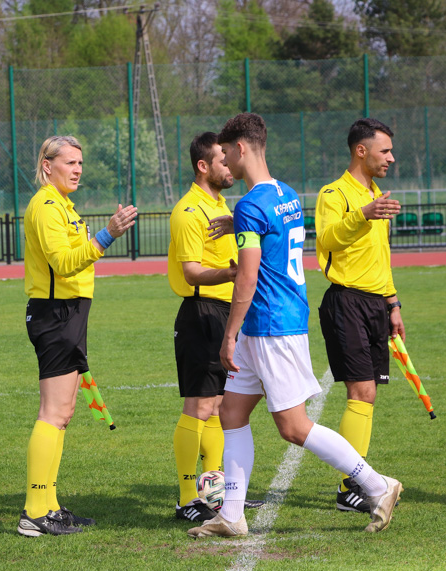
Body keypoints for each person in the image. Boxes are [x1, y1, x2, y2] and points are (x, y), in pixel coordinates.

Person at [187, 113, 403, 539]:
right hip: (268, 324)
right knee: (231, 412)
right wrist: (240, 223)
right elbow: (277, 233)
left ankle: (378, 486)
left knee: (293, 426)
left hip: (270, 324)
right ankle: (232, 514)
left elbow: (246, 277)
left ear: (242, 148)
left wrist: (228, 335)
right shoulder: (284, 193)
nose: (226, 161)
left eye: (228, 152)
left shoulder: (250, 204)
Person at [18, 135, 138, 537]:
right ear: (47, 165)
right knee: (52, 413)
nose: (78, 169)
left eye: (80, 163)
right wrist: (106, 236)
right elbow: (64, 263)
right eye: (69, 162)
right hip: (54, 315)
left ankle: (48, 505)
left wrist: (101, 236)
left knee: (64, 414)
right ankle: (35, 511)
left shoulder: (64, 206)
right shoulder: (46, 206)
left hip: (69, 315)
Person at [314, 118, 404, 513]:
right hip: (346, 301)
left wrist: (393, 303)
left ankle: (352, 486)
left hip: (375, 305)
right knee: (360, 391)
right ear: (360, 151)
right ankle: (351, 487)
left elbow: (381, 258)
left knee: (369, 395)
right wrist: (363, 213)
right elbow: (327, 239)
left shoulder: (379, 193)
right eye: (385, 150)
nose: (391, 158)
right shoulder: (333, 194)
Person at [168, 132, 238, 523]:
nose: (230, 166)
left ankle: (212, 499)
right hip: (202, 314)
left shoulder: (222, 206)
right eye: (222, 160)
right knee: (199, 406)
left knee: (217, 409)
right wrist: (231, 271)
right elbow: (191, 271)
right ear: (203, 165)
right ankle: (184, 500)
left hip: (226, 313)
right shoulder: (189, 211)